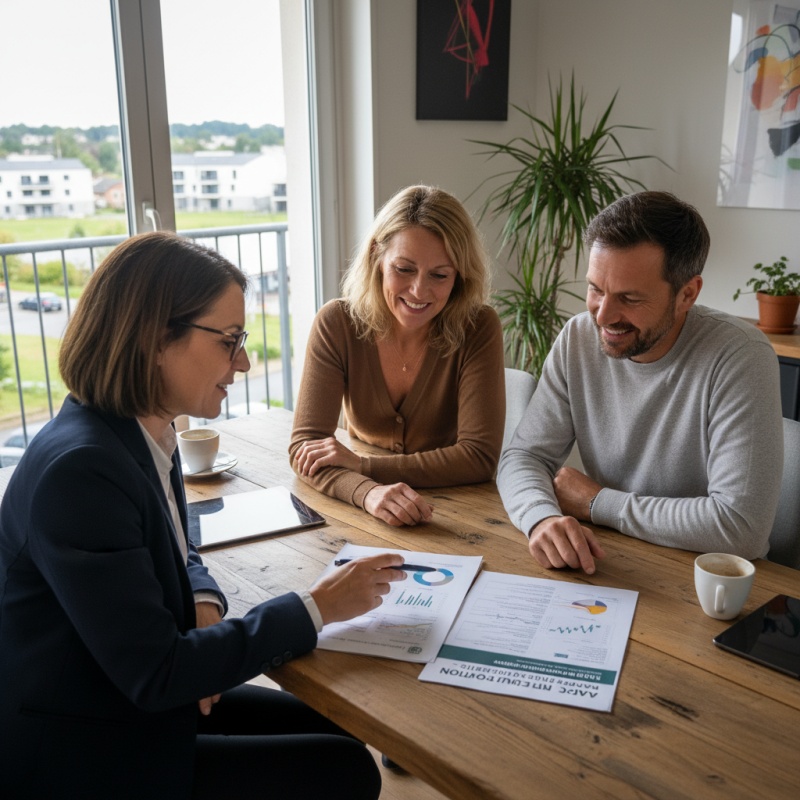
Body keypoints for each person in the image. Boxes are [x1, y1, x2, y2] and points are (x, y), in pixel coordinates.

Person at [0, 231, 405, 800]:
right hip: (81, 746)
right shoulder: (82, 473)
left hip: (119, 693)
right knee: (345, 770)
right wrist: (321, 606)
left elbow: (178, 542)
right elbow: (159, 673)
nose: (243, 361)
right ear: (154, 338)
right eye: (230, 340)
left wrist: (203, 600)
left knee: (335, 725)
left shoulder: (142, 429)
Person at [497, 191, 783, 574]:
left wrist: (599, 503)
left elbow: (739, 526)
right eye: (596, 289)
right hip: (612, 559)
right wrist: (540, 518)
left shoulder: (741, 356)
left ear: (687, 294)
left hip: (706, 577)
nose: (604, 316)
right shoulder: (578, 338)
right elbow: (524, 456)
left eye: (629, 298)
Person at [290, 184, 505, 527]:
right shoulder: (337, 323)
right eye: (404, 269)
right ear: (377, 256)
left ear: (460, 277)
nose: (420, 291)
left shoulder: (478, 327)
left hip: (461, 513)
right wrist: (368, 492)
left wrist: (365, 467)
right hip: (362, 513)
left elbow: (478, 458)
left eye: (439, 275)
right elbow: (307, 448)